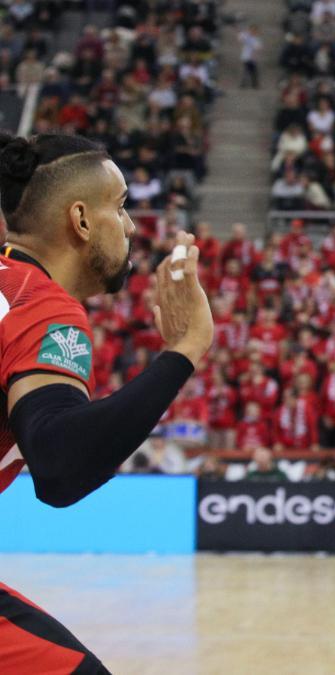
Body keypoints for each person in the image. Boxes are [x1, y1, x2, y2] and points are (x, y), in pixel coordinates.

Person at [0, 133, 212, 672]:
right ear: (81, 220)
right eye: (119, 207)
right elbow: (61, 464)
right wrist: (184, 350)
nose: (132, 226)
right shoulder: (39, 305)